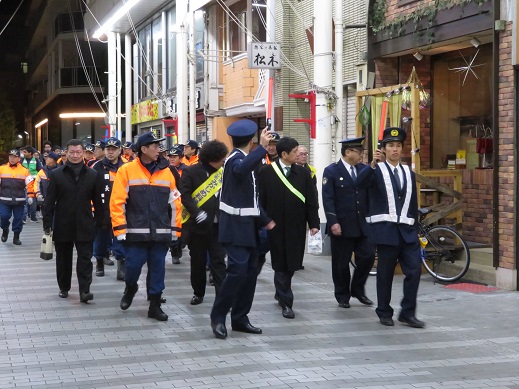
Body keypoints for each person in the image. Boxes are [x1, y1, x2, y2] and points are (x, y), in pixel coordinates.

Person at [210, 120, 275, 339]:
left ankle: (240, 318)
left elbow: (251, 197)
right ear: (252, 140)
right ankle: (218, 316)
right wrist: (263, 149)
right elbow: (240, 171)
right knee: (237, 271)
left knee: (249, 274)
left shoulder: (246, 159)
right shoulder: (234, 160)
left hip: (248, 226)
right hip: (233, 226)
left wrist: (265, 220)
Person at [110, 131, 182, 321]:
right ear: (143, 149)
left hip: (161, 233)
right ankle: (131, 287)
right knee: (132, 267)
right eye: (155, 146)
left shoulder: (167, 171)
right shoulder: (126, 170)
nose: (159, 149)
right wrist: (120, 229)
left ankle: (155, 305)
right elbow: (117, 202)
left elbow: (175, 203)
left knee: (158, 269)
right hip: (135, 233)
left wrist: (175, 230)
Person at [358, 127, 425, 328]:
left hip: (407, 232)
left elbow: (412, 202)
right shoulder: (375, 170)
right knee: (385, 274)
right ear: (384, 149)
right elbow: (358, 184)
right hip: (386, 232)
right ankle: (384, 311)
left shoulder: (408, 172)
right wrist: (371, 164)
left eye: (398, 145)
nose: (395, 149)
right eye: (390, 146)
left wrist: (416, 227)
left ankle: (407, 312)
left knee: (414, 271)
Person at [258, 137, 320, 319]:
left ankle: (281, 290)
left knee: (292, 264)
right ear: (284, 154)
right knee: (280, 263)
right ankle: (286, 302)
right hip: (275, 226)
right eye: (294, 152)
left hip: (297, 226)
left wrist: (314, 223)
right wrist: (264, 221)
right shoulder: (266, 172)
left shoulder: (303, 174)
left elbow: (311, 201)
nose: (298, 155)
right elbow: (260, 200)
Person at [42, 139, 104, 302]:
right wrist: (47, 224)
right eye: (72, 152)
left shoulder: (92, 175)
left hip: (85, 223)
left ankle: (85, 290)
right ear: (66, 154)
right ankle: (64, 287)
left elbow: (98, 202)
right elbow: (49, 201)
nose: (75, 155)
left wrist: (101, 222)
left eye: (78, 152)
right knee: (63, 259)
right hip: (63, 223)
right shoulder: (56, 174)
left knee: (85, 259)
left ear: (83, 153)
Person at [322, 137, 375, 309]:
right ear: (347, 152)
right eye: (358, 151)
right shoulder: (332, 171)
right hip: (342, 224)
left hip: (362, 224)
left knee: (367, 257)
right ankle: (342, 294)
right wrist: (333, 222)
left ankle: (357, 289)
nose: (361, 155)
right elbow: (328, 199)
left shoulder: (363, 169)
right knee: (341, 263)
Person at [179, 140, 228, 305]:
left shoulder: (224, 172)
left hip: (219, 226)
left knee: (219, 261)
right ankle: (198, 292)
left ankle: (222, 295)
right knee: (198, 262)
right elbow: (184, 195)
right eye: (221, 158)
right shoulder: (191, 172)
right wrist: (197, 212)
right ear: (212, 158)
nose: (223, 160)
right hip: (197, 227)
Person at [91, 137, 126, 279]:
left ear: (119, 151)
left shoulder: (126, 167)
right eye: (108, 149)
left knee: (121, 238)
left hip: (121, 210)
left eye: (113, 149)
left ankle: (121, 266)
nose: (110, 152)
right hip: (101, 210)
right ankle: (99, 261)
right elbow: (90, 189)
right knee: (100, 239)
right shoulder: (97, 167)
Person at [256, 131, 281, 274]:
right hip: (262, 203)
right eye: (269, 144)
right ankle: (260, 255)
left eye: (274, 145)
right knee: (264, 236)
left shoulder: (283, 161)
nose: (271, 148)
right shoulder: (259, 160)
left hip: (278, 203)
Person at [0, 149, 32, 245]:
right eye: (10, 157)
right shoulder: (2, 169)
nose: (12, 159)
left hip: (19, 200)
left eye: (14, 157)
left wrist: (30, 195)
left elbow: (30, 184)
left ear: (18, 158)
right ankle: (5, 230)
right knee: (4, 216)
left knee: (18, 219)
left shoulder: (25, 171)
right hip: (4, 199)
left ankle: (16, 237)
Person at [167, 145, 187, 264]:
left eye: (175, 157)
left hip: (179, 203)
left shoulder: (186, 169)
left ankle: (177, 249)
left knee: (178, 228)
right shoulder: (166, 168)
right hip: (166, 203)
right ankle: (172, 248)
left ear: (180, 158)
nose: (172, 159)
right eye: (170, 157)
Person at [34, 152, 60, 216]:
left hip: (58, 201)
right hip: (44, 200)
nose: (45, 159)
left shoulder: (60, 171)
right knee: (46, 220)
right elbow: (37, 183)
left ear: (52, 160)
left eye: (47, 158)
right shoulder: (42, 171)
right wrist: (38, 194)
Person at [20, 146, 42, 223]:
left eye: (25, 152)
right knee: (24, 201)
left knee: (33, 201)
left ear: (30, 153)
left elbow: (40, 171)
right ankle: (23, 218)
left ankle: (33, 216)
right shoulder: (21, 160)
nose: (23, 153)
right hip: (23, 183)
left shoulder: (36, 160)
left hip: (34, 183)